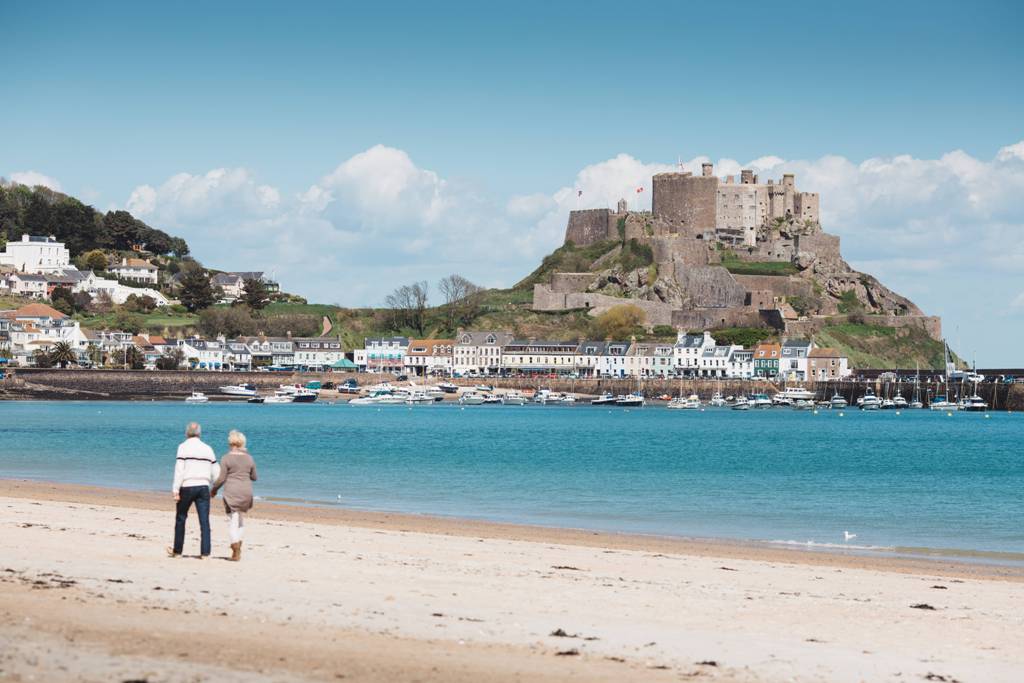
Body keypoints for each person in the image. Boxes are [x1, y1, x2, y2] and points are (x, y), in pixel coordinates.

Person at [168, 422, 219, 559]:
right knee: (204, 521)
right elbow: (216, 472)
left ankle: (178, 551)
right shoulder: (208, 448)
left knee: (181, 518)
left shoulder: (183, 447)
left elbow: (179, 470)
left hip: (187, 486)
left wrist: (175, 489)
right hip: (203, 487)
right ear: (199, 433)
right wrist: (215, 487)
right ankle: (205, 553)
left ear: (187, 433)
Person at [211, 429, 258, 562]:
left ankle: (236, 548)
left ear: (230, 443)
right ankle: (238, 546)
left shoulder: (226, 458)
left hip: (231, 492)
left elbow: (221, 479)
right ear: (242, 443)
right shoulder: (249, 458)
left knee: (233, 520)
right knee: (240, 519)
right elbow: (254, 477)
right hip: (246, 491)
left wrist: (213, 490)